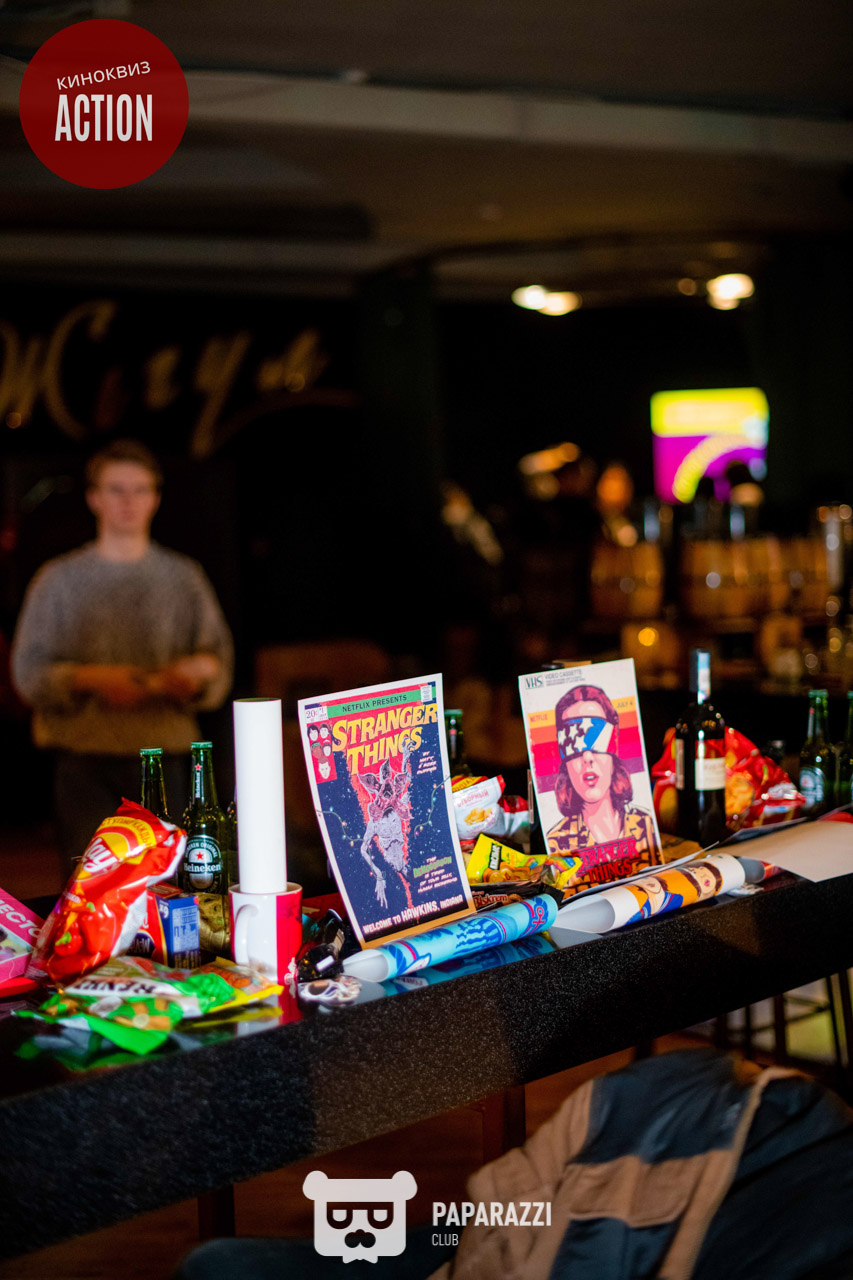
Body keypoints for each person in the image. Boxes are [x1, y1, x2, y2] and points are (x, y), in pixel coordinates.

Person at [11, 439, 234, 869]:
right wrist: (93, 679)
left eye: (140, 489)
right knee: (89, 882)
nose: (128, 501)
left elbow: (217, 661)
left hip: (165, 759)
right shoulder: (58, 580)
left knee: (169, 883)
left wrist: (193, 676)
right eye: (116, 489)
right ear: (94, 497)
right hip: (84, 762)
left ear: (156, 498)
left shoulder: (183, 577)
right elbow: (28, 672)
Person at [547, 683, 658, 861]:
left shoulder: (647, 826)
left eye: (597, 737)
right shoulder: (556, 843)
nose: (587, 757)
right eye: (573, 743)